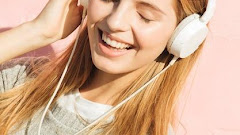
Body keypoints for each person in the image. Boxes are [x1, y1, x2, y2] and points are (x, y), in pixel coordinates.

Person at [0, 0, 213, 134]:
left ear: (183, 36)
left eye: (144, 16)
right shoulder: (19, 83)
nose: (114, 22)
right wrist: (37, 32)